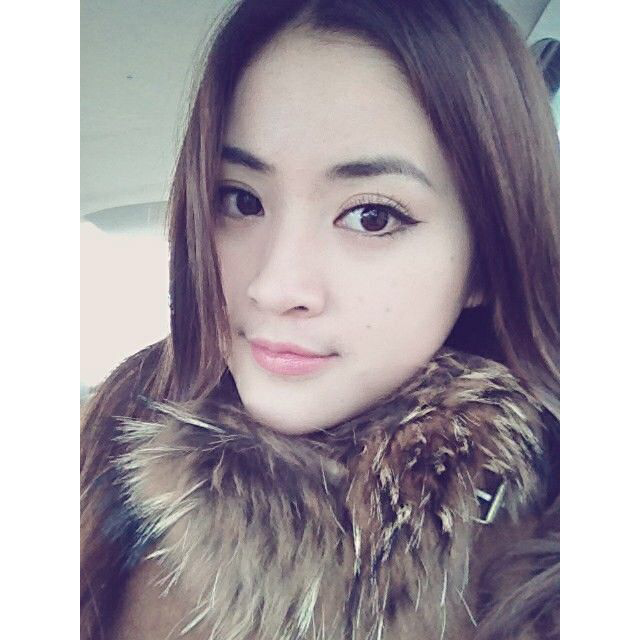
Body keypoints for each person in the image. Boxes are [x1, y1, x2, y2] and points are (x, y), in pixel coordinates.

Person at [80, 1, 559, 638]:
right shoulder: (116, 419)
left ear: (484, 262)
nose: (274, 287)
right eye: (241, 200)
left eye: (372, 217)